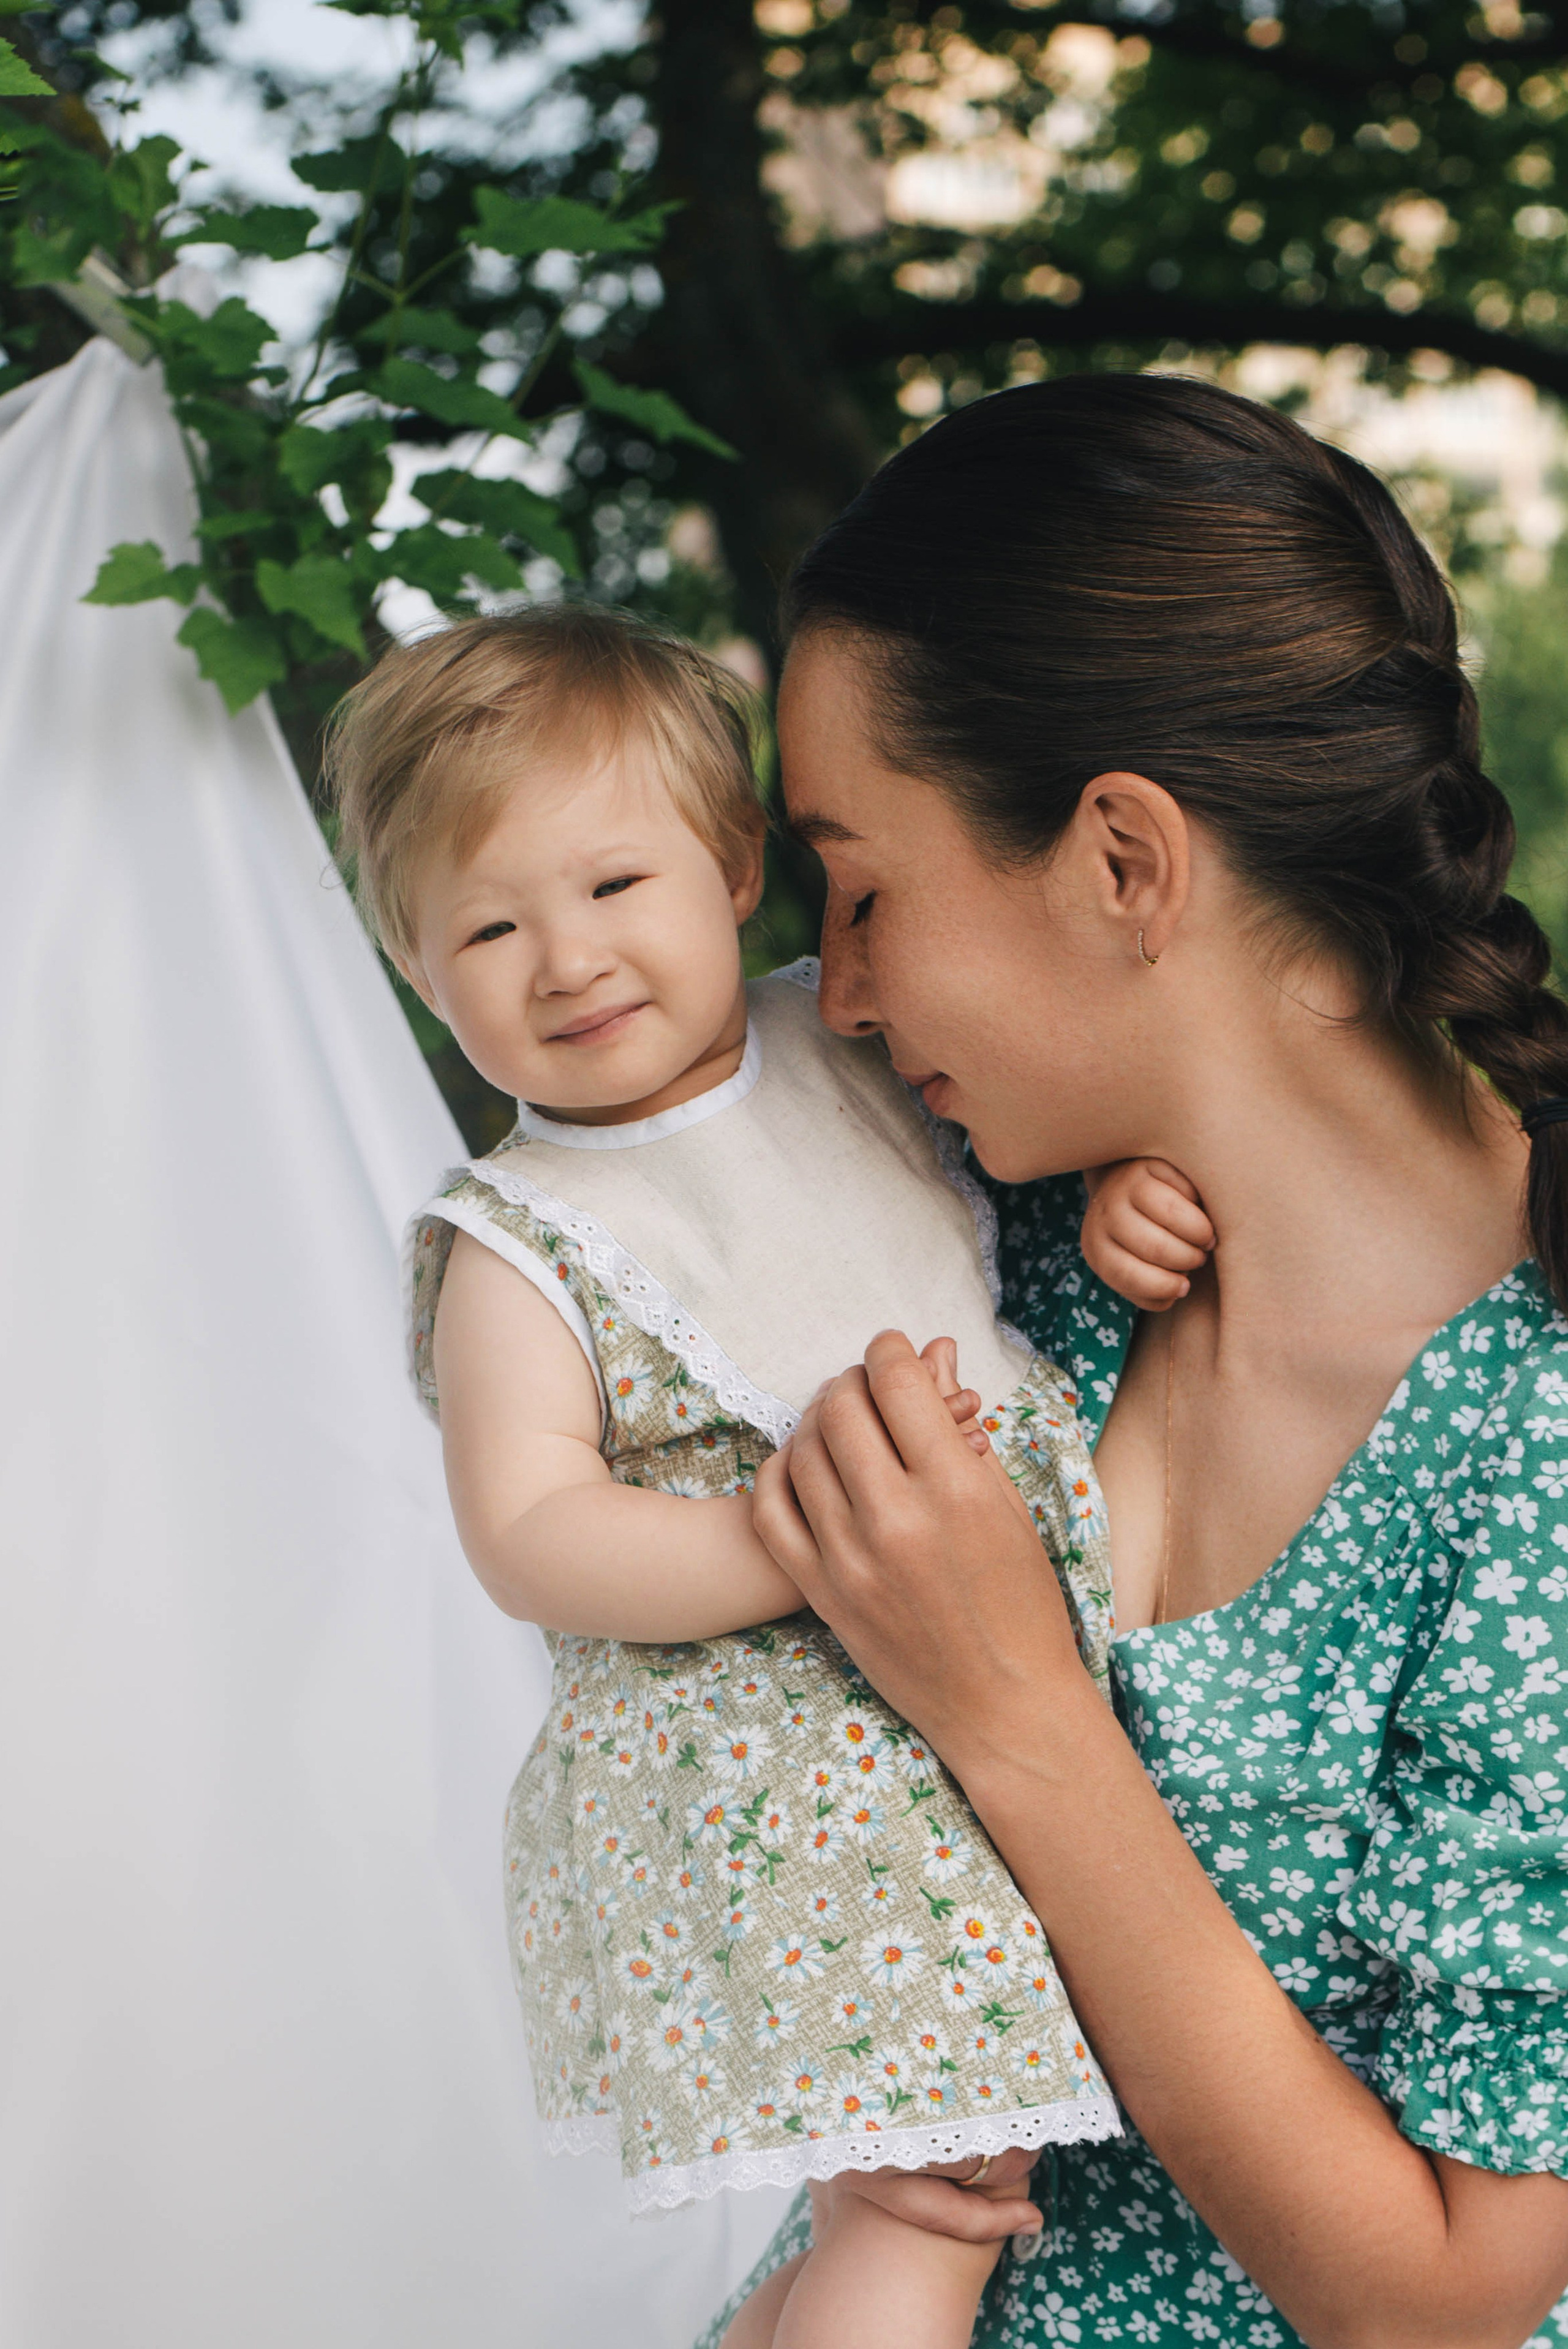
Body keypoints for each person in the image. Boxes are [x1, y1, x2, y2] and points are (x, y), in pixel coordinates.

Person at [705, 372, 1568, 2349]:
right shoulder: (996, 1235)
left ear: (1123, 862)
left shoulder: (1536, 1435)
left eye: (864, 884)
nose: (831, 984)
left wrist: (1020, 1712)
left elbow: (1448, 2300)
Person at [323, 608, 1208, 2349]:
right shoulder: (529, 1237)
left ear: (738, 868)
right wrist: (780, 1537)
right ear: (425, 977)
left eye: (610, 888)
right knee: (931, 2215)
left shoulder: (855, 1047)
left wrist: (1111, 1209)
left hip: (938, 1720)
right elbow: (530, 1530)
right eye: (487, 928)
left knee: (903, 2203)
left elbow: (1006, 1210)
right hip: (782, 1774)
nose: (563, 958)